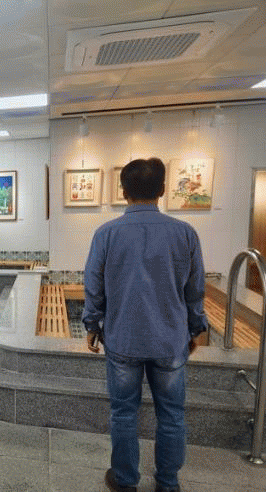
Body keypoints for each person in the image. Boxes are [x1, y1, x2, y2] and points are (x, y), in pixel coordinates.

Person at [82, 157, 208, 492]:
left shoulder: (106, 234)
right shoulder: (185, 233)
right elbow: (195, 288)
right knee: (172, 414)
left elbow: (93, 285)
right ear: (163, 190)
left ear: (124, 192)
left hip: (123, 339)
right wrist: (196, 327)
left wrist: (92, 324)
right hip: (170, 340)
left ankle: (125, 481)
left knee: (124, 413)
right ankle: (167, 482)